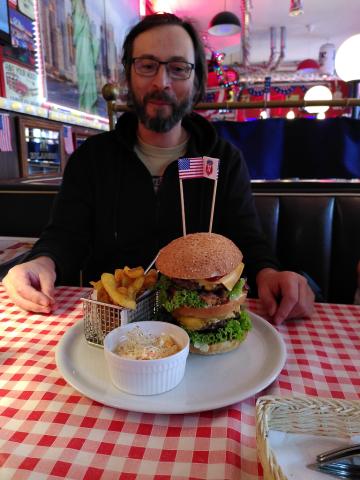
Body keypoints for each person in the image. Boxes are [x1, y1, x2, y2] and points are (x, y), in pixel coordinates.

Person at [3, 13, 314, 324]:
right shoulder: (92, 158)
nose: (161, 82)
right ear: (129, 75)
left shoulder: (224, 159)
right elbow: (65, 235)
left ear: (196, 81)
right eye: (147, 65)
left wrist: (270, 273)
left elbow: (247, 241)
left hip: (201, 318)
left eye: (178, 68)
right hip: (113, 326)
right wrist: (42, 262)